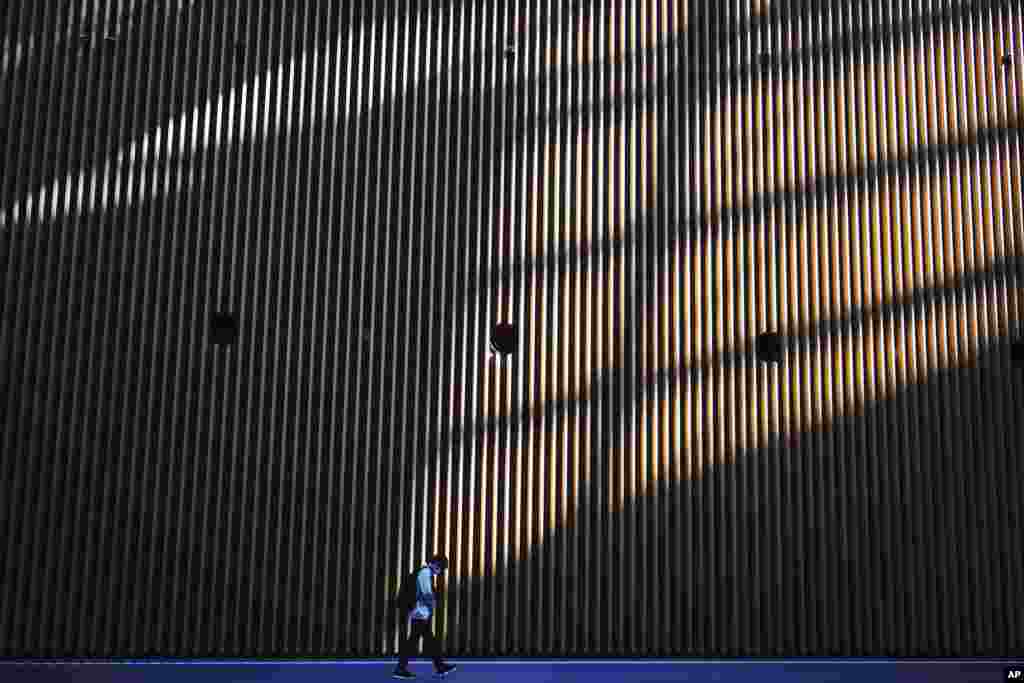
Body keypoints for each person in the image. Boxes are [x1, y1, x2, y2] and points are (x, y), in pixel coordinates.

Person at [393, 554, 458, 679]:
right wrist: (433, 605)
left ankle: (439, 666)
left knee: (427, 640)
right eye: (441, 568)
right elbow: (426, 593)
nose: (440, 572)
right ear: (435, 564)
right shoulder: (425, 573)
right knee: (415, 642)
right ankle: (401, 669)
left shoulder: (424, 572)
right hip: (420, 613)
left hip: (420, 612)